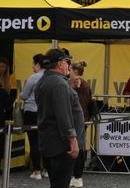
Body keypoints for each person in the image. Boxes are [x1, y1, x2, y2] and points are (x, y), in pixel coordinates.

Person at [35, 49, 84, 188]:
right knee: (60, 184)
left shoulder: (45, 80)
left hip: (50, 141)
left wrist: (69, 86)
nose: (69, 66)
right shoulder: (59, 84)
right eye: (67, 62)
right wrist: (73, 140)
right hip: (62, 146)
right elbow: (63, 115)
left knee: (56, 183)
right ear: (61, 64)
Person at [20, 53, 46, 180]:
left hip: (31, 112)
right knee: (45, 141)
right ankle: (46, 169)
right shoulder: (49, 77)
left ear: (37, 64)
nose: (32, 66)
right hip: (45, 112)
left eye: (33, 63)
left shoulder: (34, 77)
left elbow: (24, 95)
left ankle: (37, 171)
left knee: (34, 142)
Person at [68, 61, 92, 188]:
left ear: (76, 72)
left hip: (79, 118)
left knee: (79, 147)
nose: (68, 73)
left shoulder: (79, 83)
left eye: (70, 70)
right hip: (80, 117)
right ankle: (74, 176)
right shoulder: (84, 84)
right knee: (76, 147)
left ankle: (78, 176)